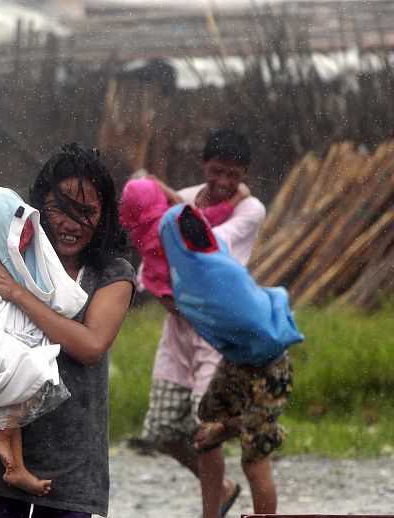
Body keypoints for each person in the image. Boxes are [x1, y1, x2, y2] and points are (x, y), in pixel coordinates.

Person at [0, 143, 136, 517]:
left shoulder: (111, 275)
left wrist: (15, 292)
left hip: (71, 472)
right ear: (38, 207)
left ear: (104, 217)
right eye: (59, 209)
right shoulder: (6, 257)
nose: (70, 224)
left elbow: (90, 346)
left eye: (87, 212)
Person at [125, 129, 264, 518]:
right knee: (163, 428)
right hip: (178, 328)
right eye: (217, 171)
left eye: (233, 176)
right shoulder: (184, 198)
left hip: (217, 330)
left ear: (245, 175)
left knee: (207, 427)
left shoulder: (250, 209)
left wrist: (166, 199)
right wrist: (166, 198)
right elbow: (152, 247)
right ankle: (220, 488)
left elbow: (207, 240)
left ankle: (210, 511)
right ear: (203, 162)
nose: (223, 183)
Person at [0, 187, 89, 497]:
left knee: (21, 379)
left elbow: (19, 282)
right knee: (30, 369)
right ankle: (4, 437)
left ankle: (14, 462)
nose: (22, 243)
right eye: (15, 234)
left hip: (1, 335)